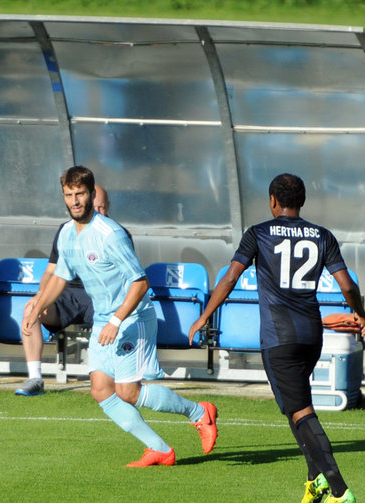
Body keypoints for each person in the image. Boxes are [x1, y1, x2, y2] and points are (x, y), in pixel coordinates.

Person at [188, 173, 365, 503]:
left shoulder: (258, 233)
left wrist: (204, 317)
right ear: (302, 201)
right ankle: (315, 478)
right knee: (295, 404)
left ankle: (339, 488)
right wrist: (360, 314)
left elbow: (231, 276)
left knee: (301, 411)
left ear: (273, 200)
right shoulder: (322, 235)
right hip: (311, 335)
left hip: (278, 338)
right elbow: (347, 285)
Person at [22, 166, 218, 467]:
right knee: (101, 390)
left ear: (91, 194)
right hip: (104, 319)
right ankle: (159, 449)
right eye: (69, 195)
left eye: (80, 194)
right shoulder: (66, 234)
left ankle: (200, 413)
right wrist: (37, 307)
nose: (75, 201)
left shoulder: (110, 234)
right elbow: (60, 276)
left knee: (128, 391)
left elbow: (141, 283)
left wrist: (116, 321)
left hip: (132, 317)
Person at [14, 184, 130, 396]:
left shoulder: (115, 233)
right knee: (31, 309)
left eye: (102, 207)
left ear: (108, 206)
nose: (98, 211)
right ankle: (35, 379)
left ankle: (117, 380)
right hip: (67, 294)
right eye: (94, 207)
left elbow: (129, 279)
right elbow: (52, 272)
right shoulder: (66, 231)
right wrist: (41, 297)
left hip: (102, 296)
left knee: (116, 320)